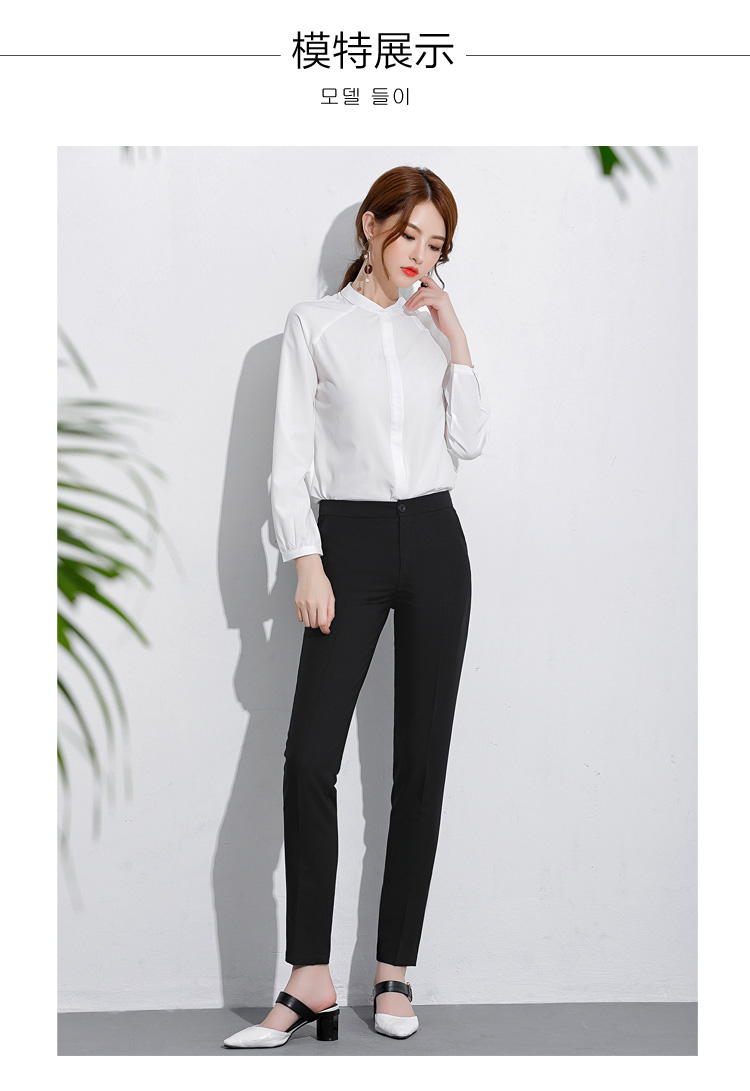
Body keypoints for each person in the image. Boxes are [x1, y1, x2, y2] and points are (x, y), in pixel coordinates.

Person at [224, 165, 491, 1050]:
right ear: (370, 226)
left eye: (437, 245)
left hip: (437, 541)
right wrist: (308, 560)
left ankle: (394, 968)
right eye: (409, 233)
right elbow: (289, 457)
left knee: (420, 763)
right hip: (349, 542)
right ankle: (309, 974)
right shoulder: (315, 325)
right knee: (310, 758)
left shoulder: (432, 328)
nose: (420, 255)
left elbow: (470, 441)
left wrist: (455, 337)